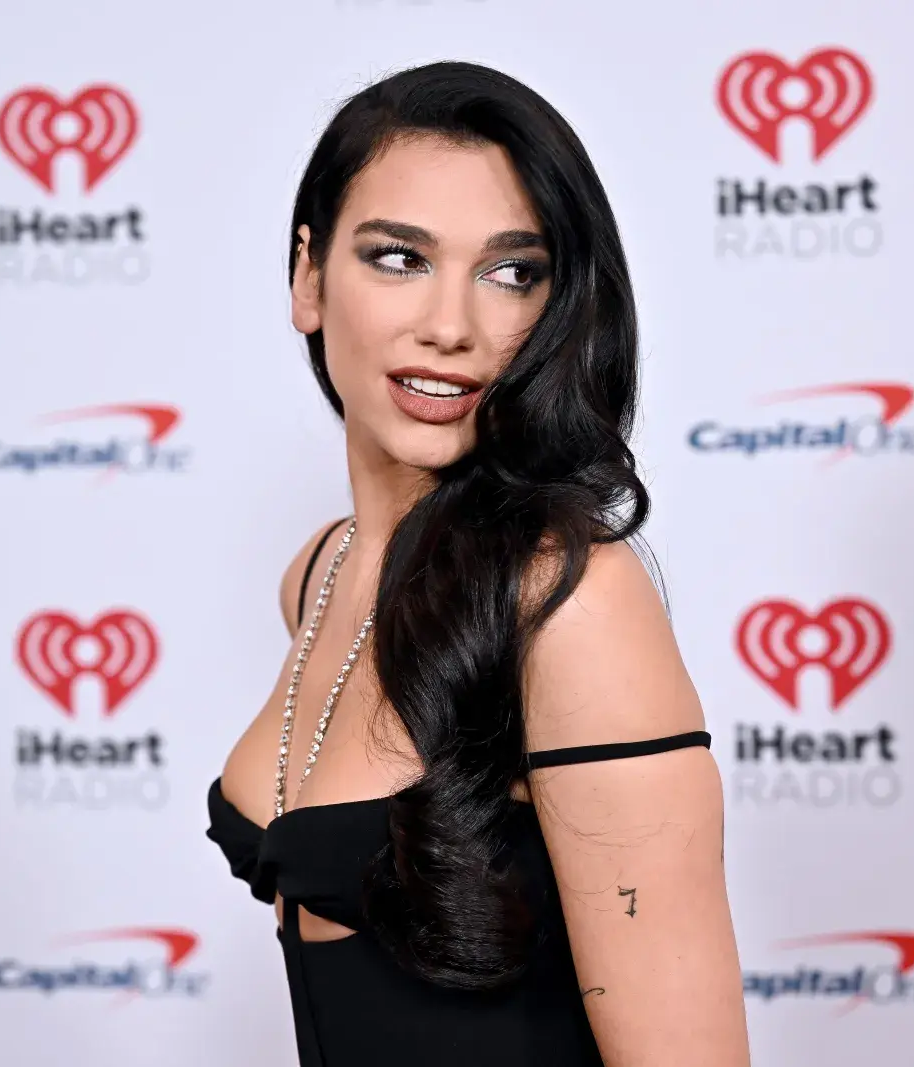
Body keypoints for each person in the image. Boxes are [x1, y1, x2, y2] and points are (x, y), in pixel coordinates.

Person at [208, 61, 750, 1066]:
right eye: (399, 258)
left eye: (510, 273)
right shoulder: (319, 574)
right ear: (308, 276)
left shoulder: (569, 603)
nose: (451, 327)